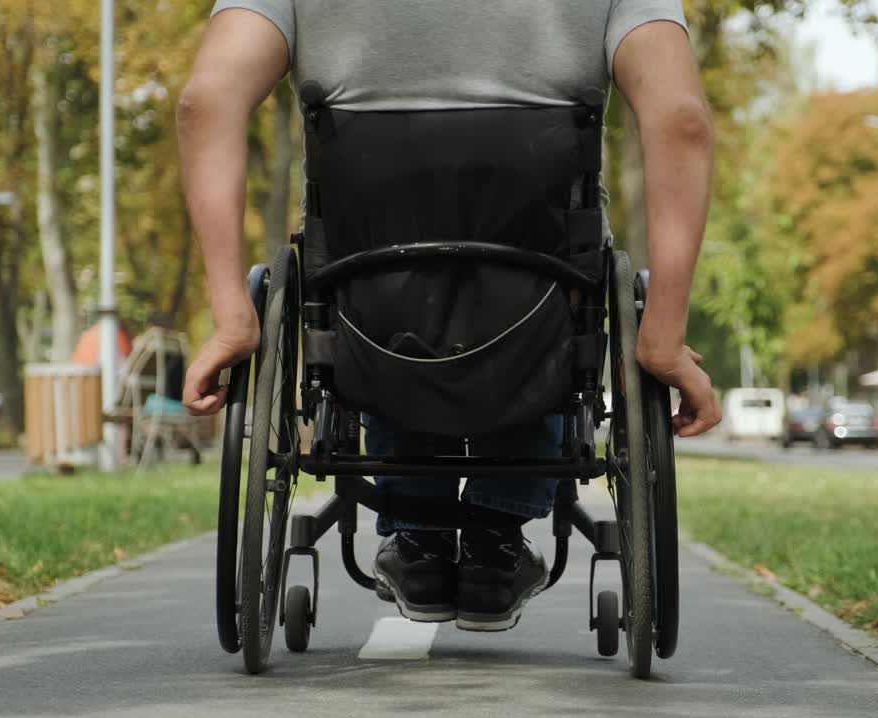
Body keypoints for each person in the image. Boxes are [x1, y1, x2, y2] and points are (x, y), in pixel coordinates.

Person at [179, 1, 722, 631]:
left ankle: (420, 538)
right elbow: (682, 121)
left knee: (379, 282)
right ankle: (496, 535)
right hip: (544, 302)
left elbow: (204, 103)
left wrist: (230, 316)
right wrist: (663, 332)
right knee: (549, 279)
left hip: (366, 301)